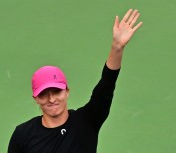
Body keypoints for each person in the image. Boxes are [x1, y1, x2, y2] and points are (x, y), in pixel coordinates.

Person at [8, 9, 143, 153]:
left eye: (56, 91)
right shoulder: (22, 134)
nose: (51, 99)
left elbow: (106, 85)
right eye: (44, 94)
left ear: (67, 91)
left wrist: (117, 47)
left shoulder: (87, 121)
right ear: (36, 98)